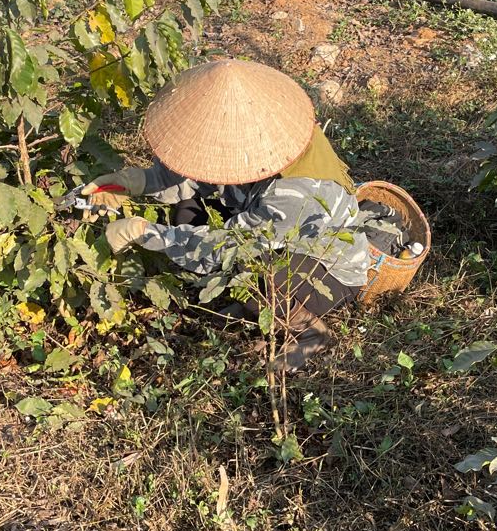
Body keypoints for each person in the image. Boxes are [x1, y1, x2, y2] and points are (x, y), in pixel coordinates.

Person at [73, 57, 396, 368]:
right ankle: (253, 305)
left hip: (327, 269)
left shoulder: (295, 192)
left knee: (249, 269)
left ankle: (310, 332)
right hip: (270, 231)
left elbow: (230, 245)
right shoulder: (265, 129)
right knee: (188, 211)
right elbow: (192, 177)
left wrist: (146, 234)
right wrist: (132, 182)